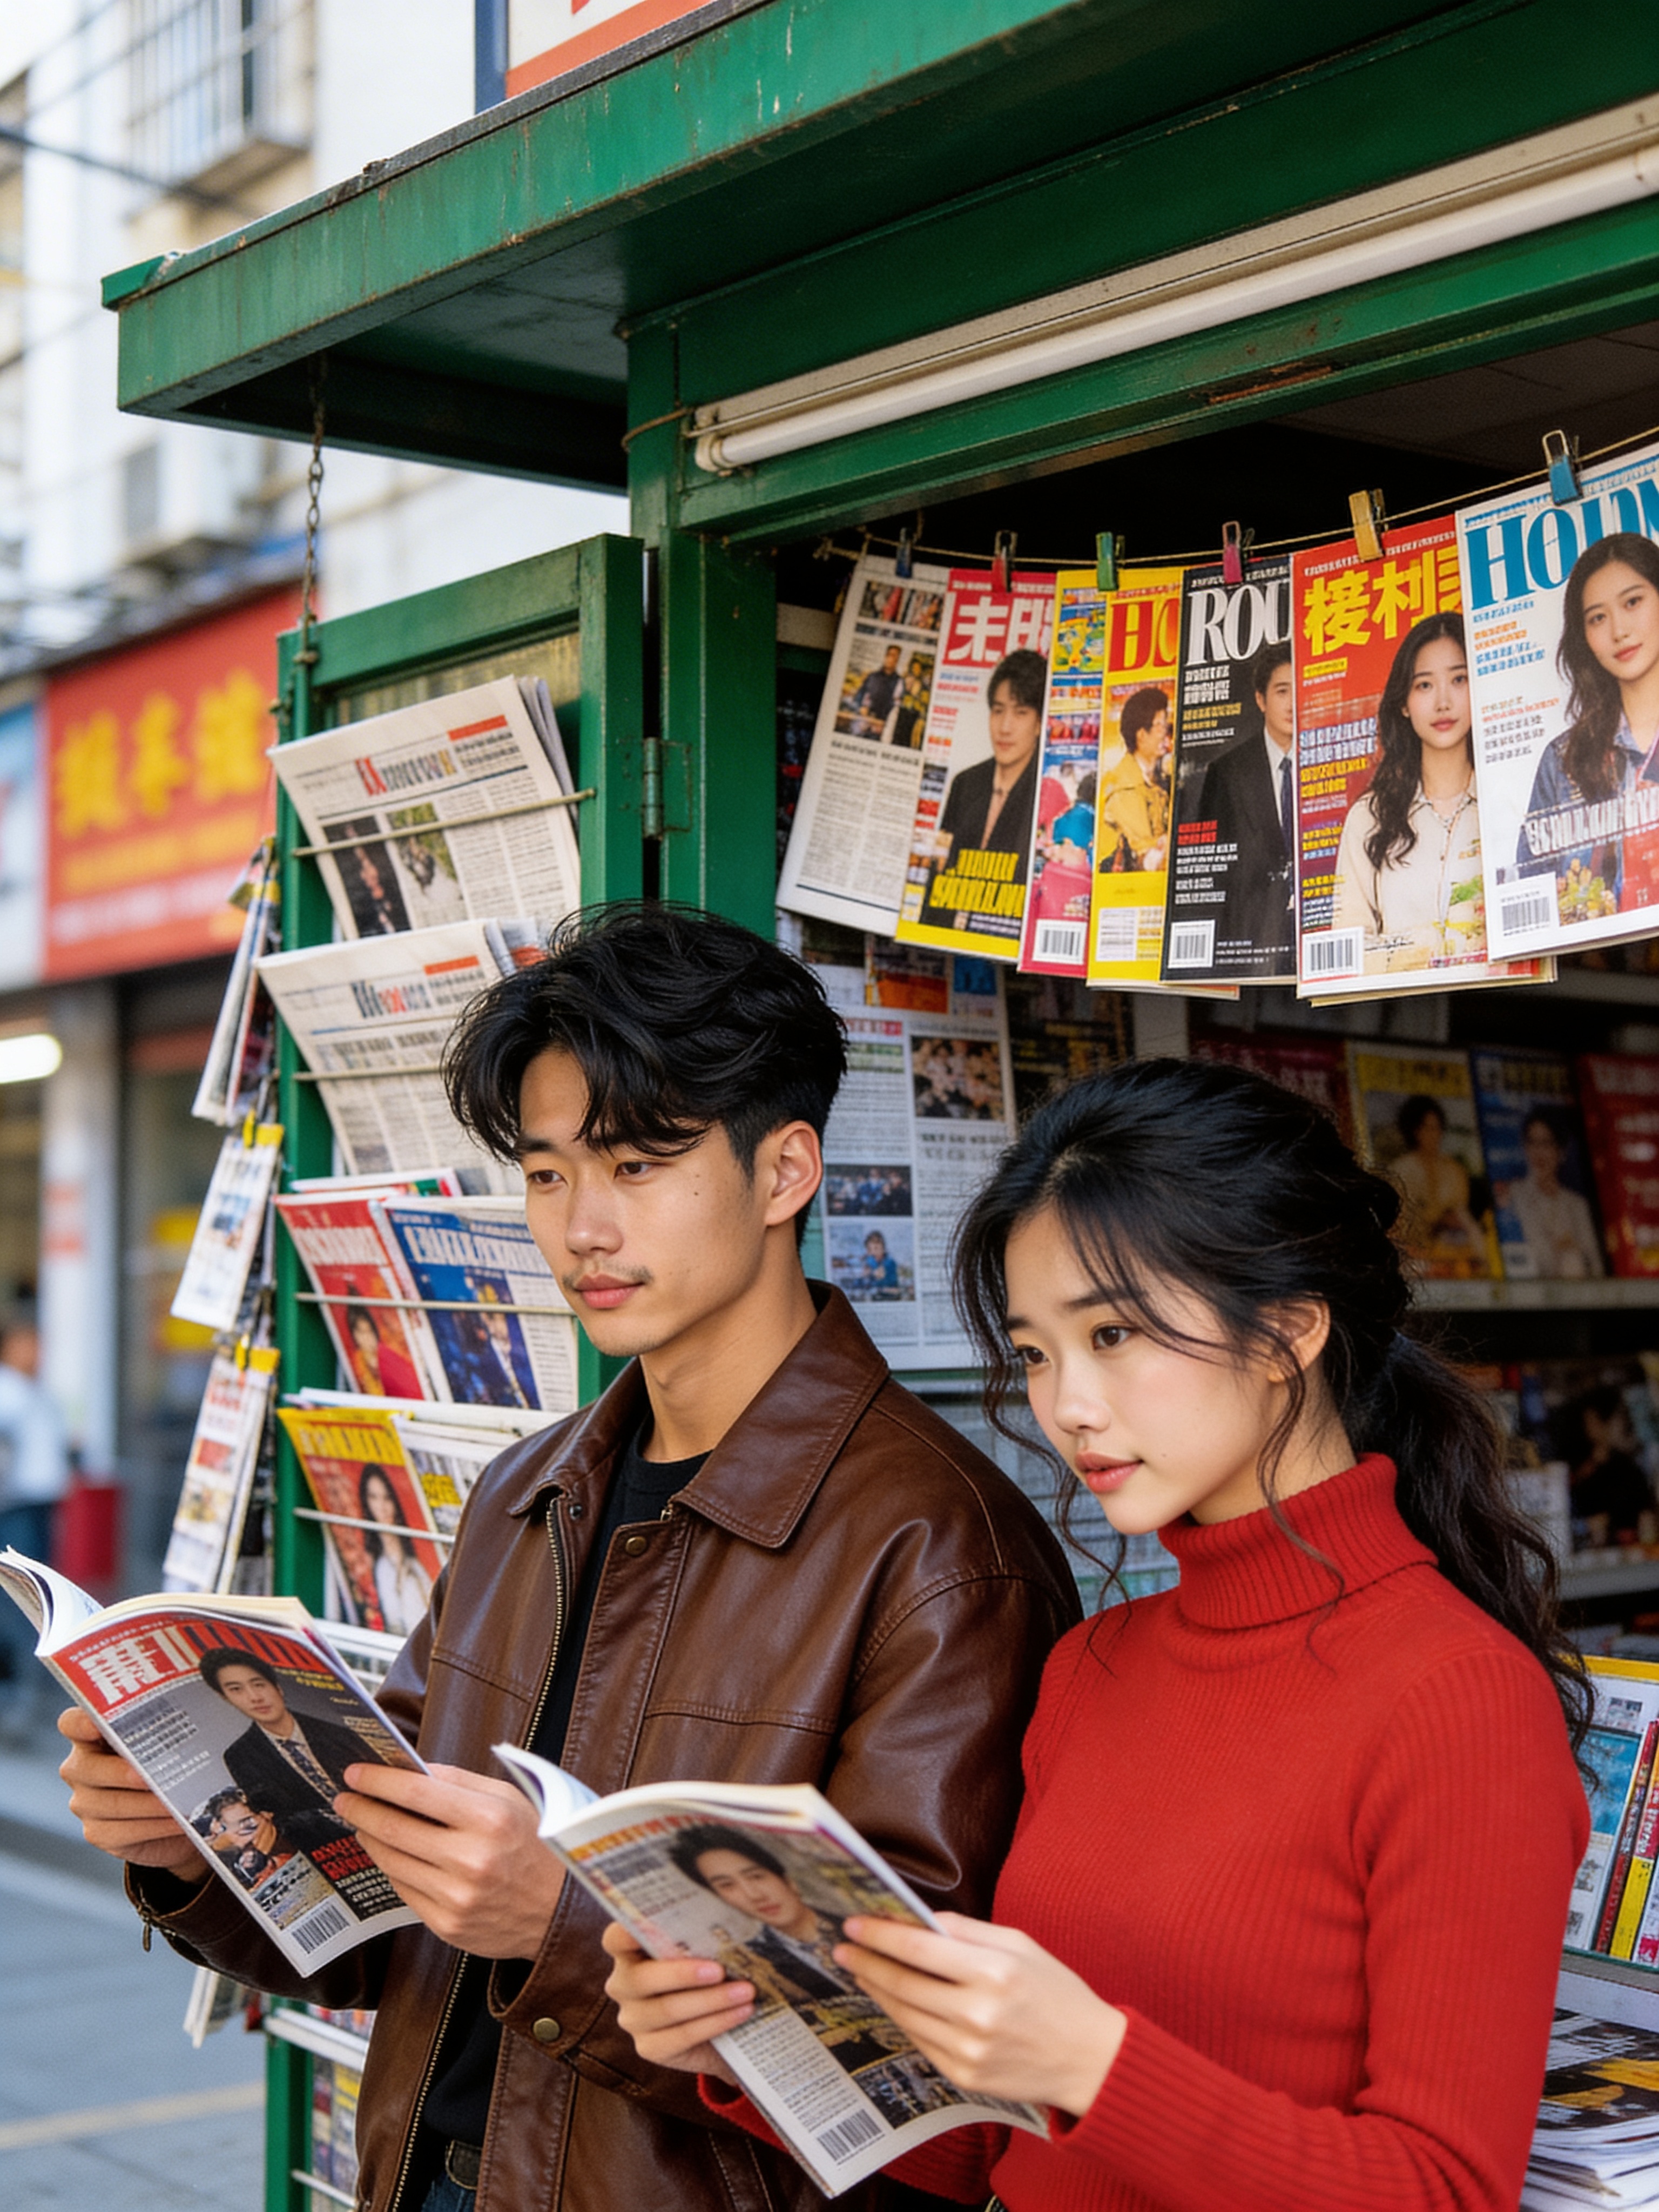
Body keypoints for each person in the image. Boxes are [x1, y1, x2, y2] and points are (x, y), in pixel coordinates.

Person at [58, 902, 1076, 2212]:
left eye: (636, 1165)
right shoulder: (526, 1492)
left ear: (783, 1172)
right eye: (547, 1173)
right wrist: (193, 1843)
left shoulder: (940, 1550)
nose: (580, 1228)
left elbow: (914, 2067)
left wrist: (561, 1925)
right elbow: (390, 1915)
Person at [608, 1056, 1590, 2212]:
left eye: (1113, 1333)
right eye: (1034, 1352)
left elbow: (1440, 2189)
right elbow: (995, 2146)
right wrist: (742, 2041)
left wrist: (1096, 2063)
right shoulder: (1092, 1667)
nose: (1066, 1402)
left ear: (1288, 1329)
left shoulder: (1459, 1694)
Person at [1332, 612, 1488, 972]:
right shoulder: (1369, 818)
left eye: (1460, 679)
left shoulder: (1508, 804)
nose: (1443, 702)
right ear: (1404, 702)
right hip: (1397, 1014)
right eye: (1424, 686)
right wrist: (1421, 950)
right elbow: (1348, 949)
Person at [1518, 533, 1659, 916]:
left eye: (1633, 602)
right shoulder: (1562, 761)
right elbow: (1528, 891)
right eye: (1598, 617)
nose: (1619, 630)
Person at [200, 1647, 396, 1855]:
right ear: (226, 1698)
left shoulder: (336, 1730)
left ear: (277, 1687)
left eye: (259, 1684)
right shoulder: (240, 1757)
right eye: (236, 1690)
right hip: (331, 1851)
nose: (254, 1697)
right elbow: (282, 1819)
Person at [923, 649, 1047, 928]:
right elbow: (940, 871)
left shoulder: (1044, 792)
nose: (1005, 727)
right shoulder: (966, 783)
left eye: (1021, 713)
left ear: (1039, 722)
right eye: (998, 710)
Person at [1198, 639, 1296, 968]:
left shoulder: (1335, 761)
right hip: (1249, 939)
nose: (1294, 703)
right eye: (1283, 691)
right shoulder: (1228, 772)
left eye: (1301, 688)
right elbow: (1212, 874)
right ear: (1261, 699)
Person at [0, 1305, 70, 1743]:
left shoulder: (34, 1391)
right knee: (20, 1608)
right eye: (28, 1344)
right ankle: (19, 1704)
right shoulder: (8, 1393)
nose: (36, 1352)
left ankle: (28, 1700)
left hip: (40, 1506)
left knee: (38, 1603)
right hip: (14, 1510)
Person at [1499, 1109, 1605, 1280]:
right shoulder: (1511, 1195)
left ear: (1561, 1151)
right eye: (1532, 1143)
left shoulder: (1577, 1204)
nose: (1538, 1152)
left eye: (1547, 1143)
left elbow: (1597, 1266)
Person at [1390, 1092, 1486, 1274]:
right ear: (1414, 1131)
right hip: (1414, 1257)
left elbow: (1462, 1214)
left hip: (1451, 1254)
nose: (1434, 1135)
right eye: (1428, 1129)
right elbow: (1400, 1223)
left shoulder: (1455, 1170)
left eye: (1437, 1128)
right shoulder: (1400, 1170)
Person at [1096, 688, 1170, 872]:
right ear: (1142, 735)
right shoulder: (1125, 787)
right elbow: (1146, 856)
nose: (1166, 732)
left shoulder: (1154, 779)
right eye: (1159, 725)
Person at [358, 1464, 434, 1637]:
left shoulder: (414, 1567)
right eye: (373, 1497)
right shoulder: (378, 1565)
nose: (381, 1507)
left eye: (387, 1498)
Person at [345, 1301, 426, 1400]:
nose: (367, 1338)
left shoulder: (389, 1354)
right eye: (361, 1333)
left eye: (369, 1331)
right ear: (354, 1335)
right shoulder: (359, 1362)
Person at [845, 645, 905, 739]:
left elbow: (897, 706)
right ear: (885, 656)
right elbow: (859, 697)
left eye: (894, 656)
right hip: (862, 725)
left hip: (881, 730)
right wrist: (861, 707)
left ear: (897, 660)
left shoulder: (899, 682)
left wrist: (884, 722)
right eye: (889, 655)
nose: (890, 659)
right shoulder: (872, 677)